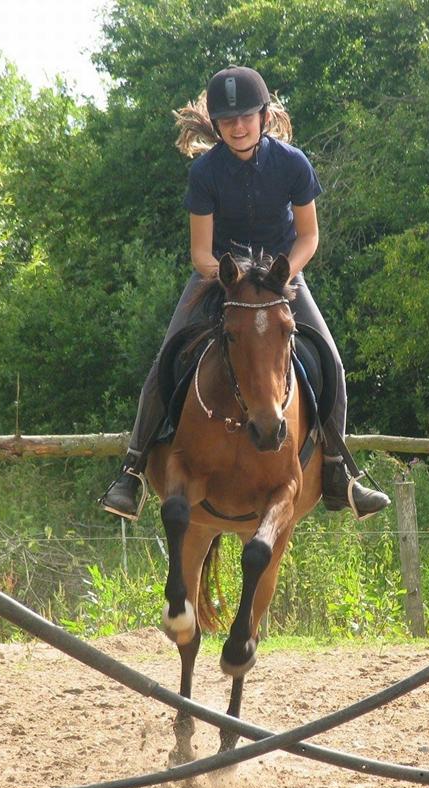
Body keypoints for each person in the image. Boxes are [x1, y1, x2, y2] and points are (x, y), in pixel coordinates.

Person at [100, 65, 389, 521]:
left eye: (246, 117)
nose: (238, 127)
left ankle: (339, 471)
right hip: (222, 278)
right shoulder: (205, 172)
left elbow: (309, 236)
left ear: (264, 116)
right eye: (228, 120)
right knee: (166, 357)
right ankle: (131, 472)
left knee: (331, 360)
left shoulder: (293, 163)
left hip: (281, 278)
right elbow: (200, 253)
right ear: (217, 126)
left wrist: (281, 276)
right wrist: (230, 278)